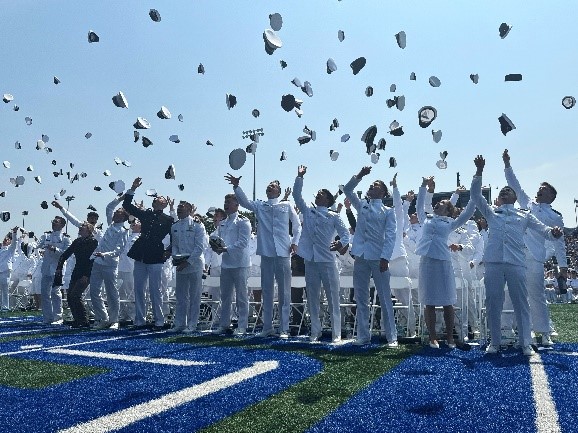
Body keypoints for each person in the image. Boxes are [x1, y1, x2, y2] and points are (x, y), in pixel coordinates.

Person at [471, 155, 563, 356]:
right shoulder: (491, 212)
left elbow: (545, 231)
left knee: (521, 302)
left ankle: (525, 342)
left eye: (509, 190)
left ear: (515, 197)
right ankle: (495, 342)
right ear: (500, 197)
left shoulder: (525, 214)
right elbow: (476, 196)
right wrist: (479, 171)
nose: (506, 190)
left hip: (516, 263)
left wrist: (554, 232)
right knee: (493, 302)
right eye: (503, 190)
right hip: (494, 263)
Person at [503, 149, 567, 346]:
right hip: (516, 255)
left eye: (544, 189)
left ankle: (543, 331)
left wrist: (563, 266)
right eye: (540, 188)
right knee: (509, 293)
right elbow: (515, 184)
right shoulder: (526, 202)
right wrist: (507, 164)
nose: (540, 190)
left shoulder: (555, 216)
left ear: (551, 196)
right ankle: (506, 330)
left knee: (536, 295)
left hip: (534, 258)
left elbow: (559, 242)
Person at [225, 174, 301, 338]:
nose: (269, 187)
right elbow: (244, 202)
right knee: (266, 291)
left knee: (284, 292)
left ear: (279, 191)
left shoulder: (286, 205)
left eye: (273, 186)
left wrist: (295, 241)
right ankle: (267, 327)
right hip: (266, 253)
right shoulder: (260, 205)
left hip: (283, 253)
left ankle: (284, 328)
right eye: (268, 185)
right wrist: (236, 186)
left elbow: (297, 225)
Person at [415, 170, 477, 348]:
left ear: (449, 210)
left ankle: (450, 337)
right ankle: (433, 337)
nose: (437, 204)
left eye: (442, 203)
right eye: (437, 203)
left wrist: (474, 194)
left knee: (447, 300)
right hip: (426, 261)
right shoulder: (425, 219)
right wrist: (423, 186)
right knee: (429, 300)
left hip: (443, 262)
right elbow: (420, 205)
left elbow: (469, 211)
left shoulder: (451, 223)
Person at [293, 165, 350, 343]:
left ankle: (336, 333)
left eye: (321, 194)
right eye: (317, 193)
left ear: (328, 199)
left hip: (327, 260)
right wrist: (300, 177)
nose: (317, 195)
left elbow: (346, 234)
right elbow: (296, 196)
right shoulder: (308, 212)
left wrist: (341, 242)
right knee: (312, 297)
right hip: (311, 260)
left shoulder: (334, 216)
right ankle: (315, 332)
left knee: (333, 297)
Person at [343, 166, 397, 347]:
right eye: (371, 185)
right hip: (361, 256)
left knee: (384, 297)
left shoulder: (388, 211)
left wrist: (385, 258)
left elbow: (390, 236)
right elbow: (348, 190)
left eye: (375, 186)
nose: (371, 187)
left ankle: (392, 337)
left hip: (378, 257)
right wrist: (359, 175)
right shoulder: (362, 205)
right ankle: (363, 335)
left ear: (382, 192)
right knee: (360, 296)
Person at [122, 178, 174, 331]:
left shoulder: (168, 219)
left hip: (156, 254)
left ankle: (159, 320)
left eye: (160, 198)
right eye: (156, 198)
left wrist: (169, 251)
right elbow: (127, 205)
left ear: (164, 204)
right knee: (139, 288)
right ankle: (140, 320)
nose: (156, 199)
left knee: (155, 290)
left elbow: (175, 237)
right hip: (141, 252)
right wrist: (132, 188)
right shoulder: (145, 215)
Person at [211, 193, 251, 335]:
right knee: (225, 296)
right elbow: (219, 241)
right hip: (226, 264)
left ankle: (242, 325)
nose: (226, 204)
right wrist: (216, 247)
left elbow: (243, 242)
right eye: (225, 201)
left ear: (237, 204)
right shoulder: (223, 223)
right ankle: (224, 324)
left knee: (241, 296)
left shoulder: (243, 221)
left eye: (229, 201)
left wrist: (226, 249)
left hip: (240, 264)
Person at [89, 206, 130, 330]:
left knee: (111, 293)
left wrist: (105, 254)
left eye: (117, 213)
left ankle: (114, 320)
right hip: (97, 262)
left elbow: (119, 250)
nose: (114, 215)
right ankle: (103, 318)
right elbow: (108, 208)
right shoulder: (111, 225)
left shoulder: (123, 230)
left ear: (122, 217)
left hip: (110, 265)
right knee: (94, 292)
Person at [169, 201, 207, 333]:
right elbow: (174, 245)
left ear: (189, 209)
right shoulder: (174, 226)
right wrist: (176, 257)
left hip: (194, 264)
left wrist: (188, 261)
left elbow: (199, 247)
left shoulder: (197, 225)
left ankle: (192, 324)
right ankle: (180, 323)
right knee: (180, 297)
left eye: (181, 208)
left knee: (194, 296)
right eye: (178, 208)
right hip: (181, 265)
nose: (179, 210)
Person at [54, 223, 98, 328]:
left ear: (88, 230)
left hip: (86, 272)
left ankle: (84, 320)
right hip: (77, 271)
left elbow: (92, 260)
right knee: (70, 296)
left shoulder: (93, 242)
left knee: (76, 295)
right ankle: (77, 319)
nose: (80, 228)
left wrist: (87, 275)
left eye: (83, 227)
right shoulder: (77, 241)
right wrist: (59, 266)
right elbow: (65, 254)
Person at [37, 216, 72, 324]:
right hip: (46, 267)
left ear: (62, 225)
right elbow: (37, 245)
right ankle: (48, 317)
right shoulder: (46, 235)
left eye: (56, 222)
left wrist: (55, 249)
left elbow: (66, 253)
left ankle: (58, 317)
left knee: (55, 292)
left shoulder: (66, 238)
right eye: (53, 222)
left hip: (58, 268)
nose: (53, 224)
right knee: (44, 293)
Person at [0, 227, 20, 310]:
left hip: (5, 271)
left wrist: (14, 233)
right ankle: (1, 306)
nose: (5, 240)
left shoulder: (10, 249)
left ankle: (5, 307)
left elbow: (14, 243)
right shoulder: (1, 250)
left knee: (5, 290)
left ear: (10, 242)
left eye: (7, 240)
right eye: (4, 239)